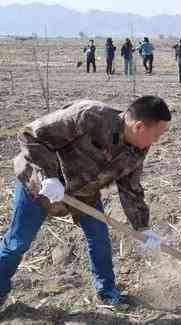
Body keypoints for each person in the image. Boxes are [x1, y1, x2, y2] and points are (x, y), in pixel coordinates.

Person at [0, 96, 171, 309]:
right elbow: (31, 135)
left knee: (99, 239)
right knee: (18, 243)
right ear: (139, 126)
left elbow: (131, 190)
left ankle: (107, 291)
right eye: (156, 135)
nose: (156, 140)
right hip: (39, 186)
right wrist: (48, 176)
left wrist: (142, 227)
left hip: (84, 194)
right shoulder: (88, 116)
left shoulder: (137, 150)